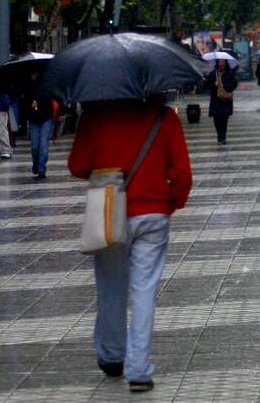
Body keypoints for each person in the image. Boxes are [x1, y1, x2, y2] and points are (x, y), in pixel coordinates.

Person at [67, 98, 192, 393]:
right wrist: (172, 203)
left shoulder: (95, 117)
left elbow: (77, 165)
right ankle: (139, 371)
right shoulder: (164, 118)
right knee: (144, 291)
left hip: (109, 212)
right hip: (153, 213)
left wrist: (107, 164)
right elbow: (182, 174)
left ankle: (112, 357)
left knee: (110, 288)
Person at [24, 70, 54, 178]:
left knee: (43, 144)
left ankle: (42, 168)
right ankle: (36, 164)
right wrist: (32, 106)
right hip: (34, 119)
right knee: (35, 146)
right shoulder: (27, 86)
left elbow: (53, 99)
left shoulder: (47, 84)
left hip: (46, 118)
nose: (33, 75)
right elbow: (26, 104)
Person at [205, 59, 237, 144]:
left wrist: (224, 85)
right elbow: (207, 85)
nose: (221, 64)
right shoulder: (213, 74)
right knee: (216, 119)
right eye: (220, 62)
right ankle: (219, 134)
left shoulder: (229, 73)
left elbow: (234, 84)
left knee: (224, 119)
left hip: (225, 100)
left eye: (223, 62)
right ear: (217, 63)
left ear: (225, 63)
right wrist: (214, 85)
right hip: (215, 100)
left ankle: (223, 137)